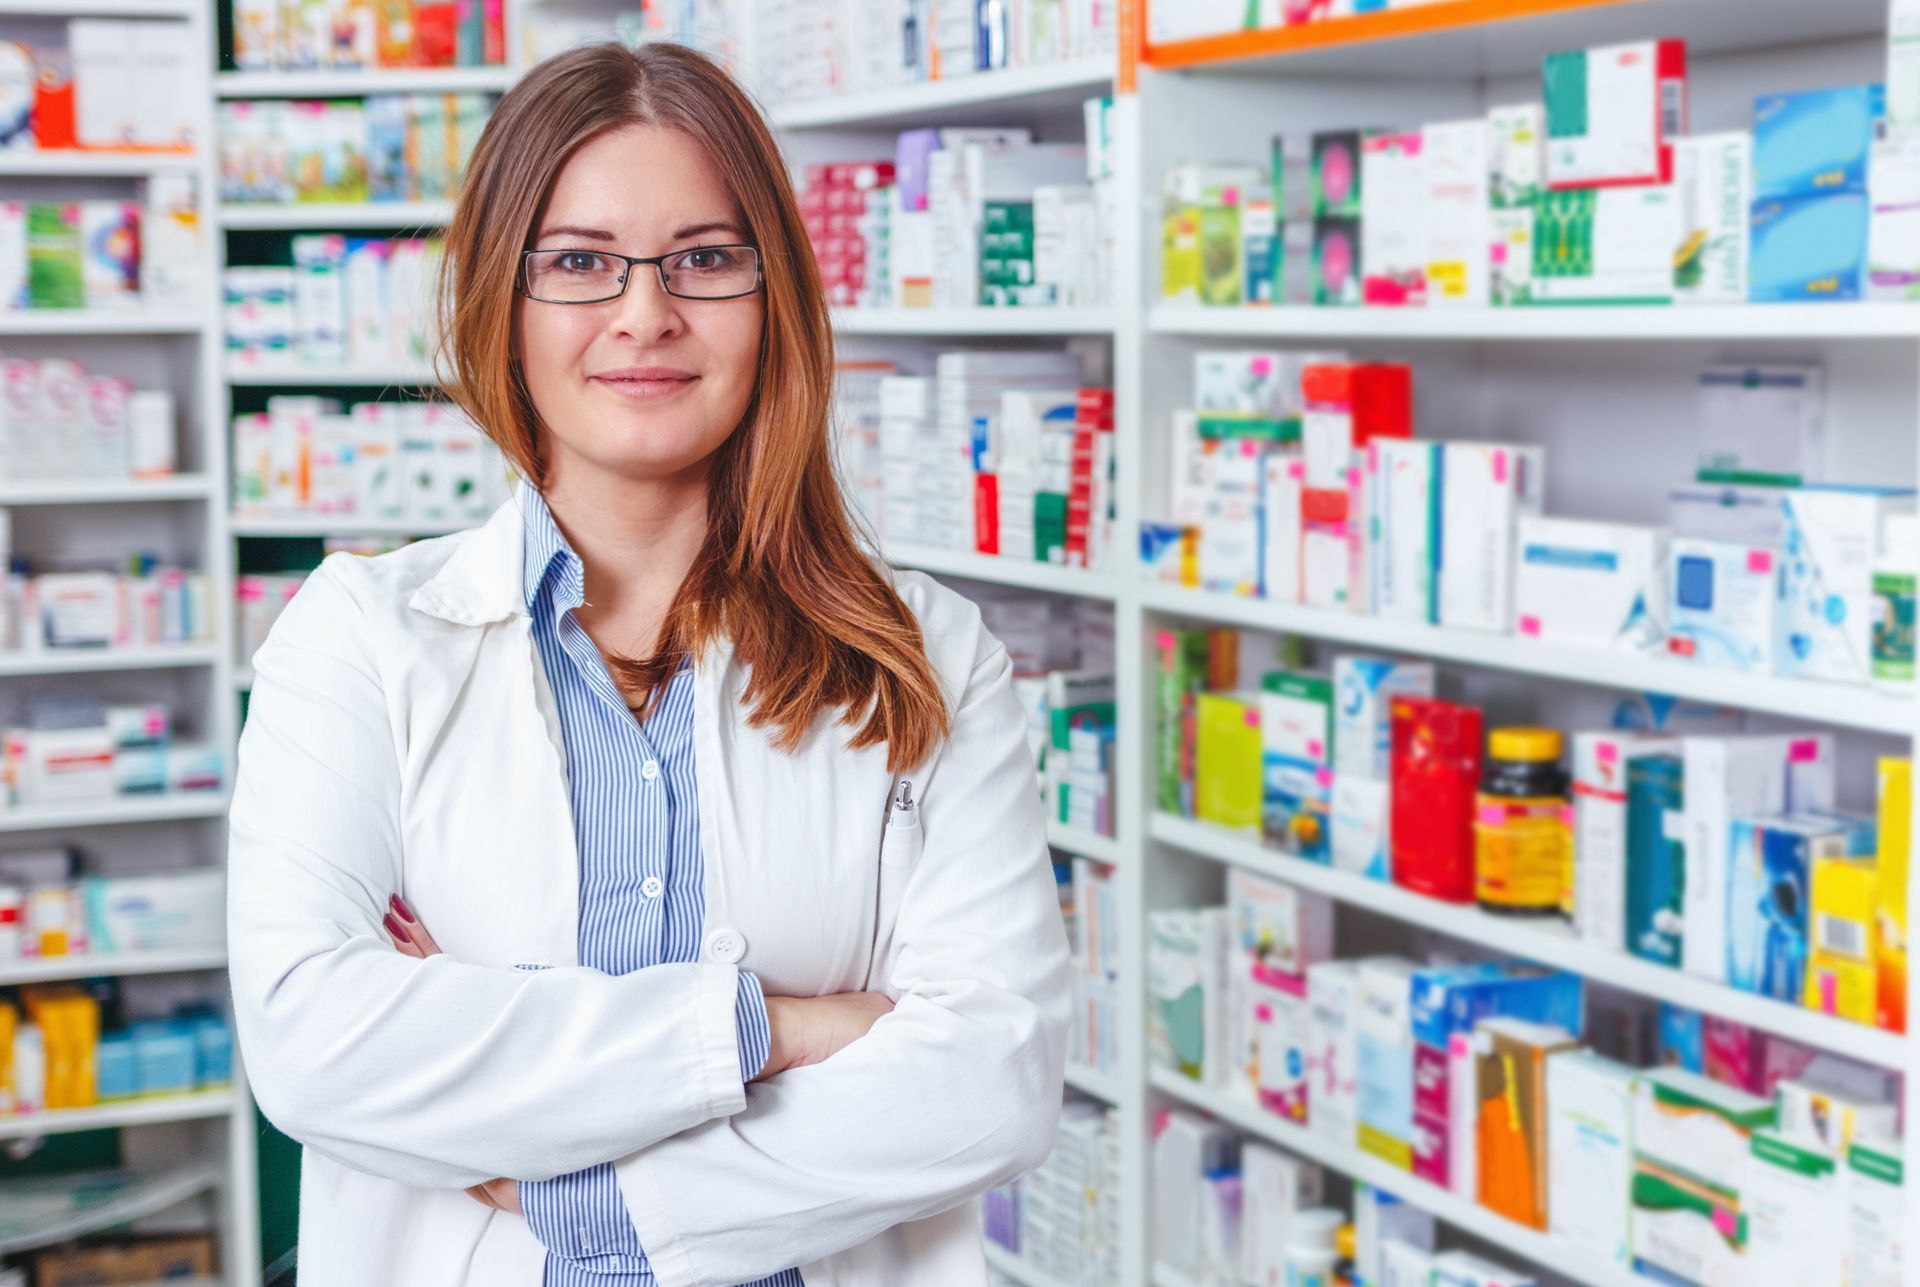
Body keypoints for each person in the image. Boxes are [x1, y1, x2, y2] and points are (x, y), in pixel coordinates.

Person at [227, 40, 1071, 1287]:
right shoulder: (358, 634)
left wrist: (565, 1184)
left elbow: (991, 1082)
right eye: (577, 262)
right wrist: (777, 1031)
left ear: (774, 290)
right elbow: (314, 1043)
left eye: (706, 258)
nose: (645, 314)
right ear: (500, 304)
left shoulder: (925, 656)